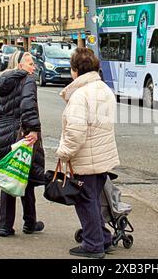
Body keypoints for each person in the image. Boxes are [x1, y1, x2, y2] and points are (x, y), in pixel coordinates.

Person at [56, 47, 120, 259]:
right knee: (92, 199)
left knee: (85, 201)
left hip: (86, 158)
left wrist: (63, 153)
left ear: (75, 70)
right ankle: (103, 239)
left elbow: (75, 132)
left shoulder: (80, 95)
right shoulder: (103, 89)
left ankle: (93, 245)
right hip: (103, 157)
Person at [0, 50, 46, 237]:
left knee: (8, 178)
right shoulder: (27, 79)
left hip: (2, 134)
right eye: (30, 63)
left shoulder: (1, 80)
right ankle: (30, 222)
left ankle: (5, 226)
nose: (33, 67)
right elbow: (28, 106)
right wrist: (33, 130)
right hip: (21, 134)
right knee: (26, 178)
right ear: (20, 65)